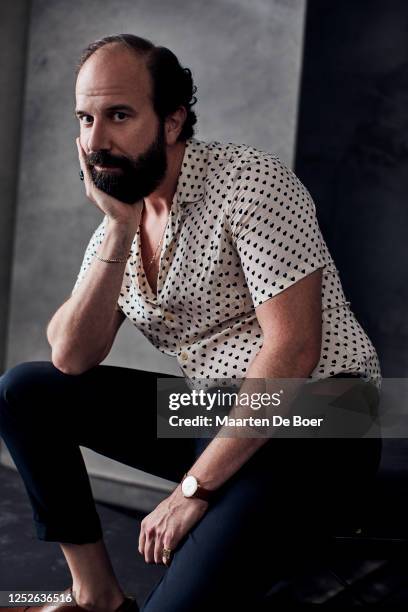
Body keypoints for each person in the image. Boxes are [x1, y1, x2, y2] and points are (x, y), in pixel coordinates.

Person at [0, 34, 382, 612]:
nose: (95, 140)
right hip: (215, 413)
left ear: (173, 121)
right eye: (85, 118)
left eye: (119, 116)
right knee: (24, 391)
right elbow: (71, 357)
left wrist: (192, 490)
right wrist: (121, 229)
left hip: (323, 416)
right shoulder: (121, 221)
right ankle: (95, 596)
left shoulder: (248, 182)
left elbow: (294, 348)